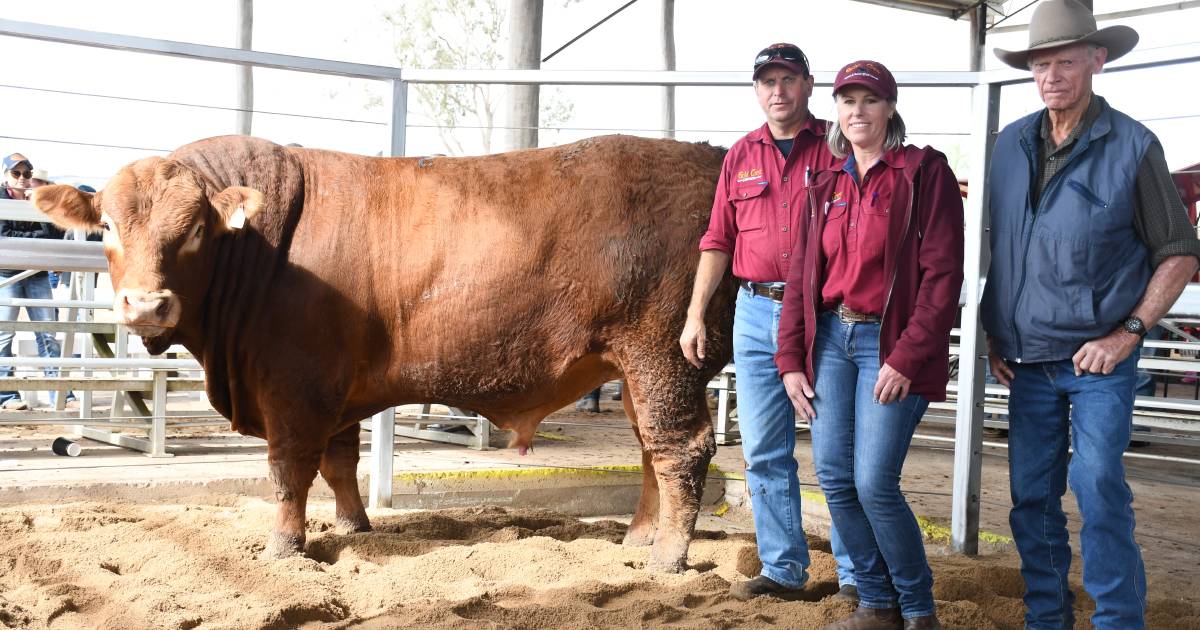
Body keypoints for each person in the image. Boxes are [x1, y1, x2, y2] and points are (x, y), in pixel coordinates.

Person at [983, 2, 1200, 628]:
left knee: (1099, 487)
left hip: (1098, 362)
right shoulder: (1007, 146)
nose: (1052, 75)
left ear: (1097, 61)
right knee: (1030, 499)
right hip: (1025, 360)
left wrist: (1128, 332)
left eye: (1066, 61)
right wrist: (998, 330)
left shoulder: (1132, 145)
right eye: (1041, 63)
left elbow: (1180, 252)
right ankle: (1046, 617)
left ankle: (1116, 620)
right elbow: (1008, 249)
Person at [776, 60, 964, 630]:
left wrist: (906, 356)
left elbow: (942, 276)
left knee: (874, 481)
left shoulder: (922, 173)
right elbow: (803, 277)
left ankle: (919, 608)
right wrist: (789, 360)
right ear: (836, 111)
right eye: (847, 100)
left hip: (889, 341)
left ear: (890, 109)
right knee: (833, 475)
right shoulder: (826, 184)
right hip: (832, 337)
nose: (858, 111)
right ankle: (877, 603)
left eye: (870, 101)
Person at [680, 43, 856, 602]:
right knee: (763, 448)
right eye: (767, 82)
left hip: (825, 313)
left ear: (808, 85)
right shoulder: (740, 156)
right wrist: (695, 314)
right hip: (754, 310)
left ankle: (858, 577)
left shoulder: (840, 145)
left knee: (837, 451)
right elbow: (717, 240)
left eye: (788, 80)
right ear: (757, 90)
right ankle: (782, 569)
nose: (777, 91)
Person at [0, 153, 73, 410]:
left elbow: (55, 232)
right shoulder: (1, 199)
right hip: (7, 272)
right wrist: (36, 234)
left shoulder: (38, 200)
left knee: (48, 333)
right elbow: (4, 234)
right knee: (4, 334)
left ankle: (61, 394)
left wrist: (37, 218)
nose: (22, 179)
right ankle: (6, 396)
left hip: (37, 272)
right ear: (6, 175)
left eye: (27, 174)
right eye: (16, 173)